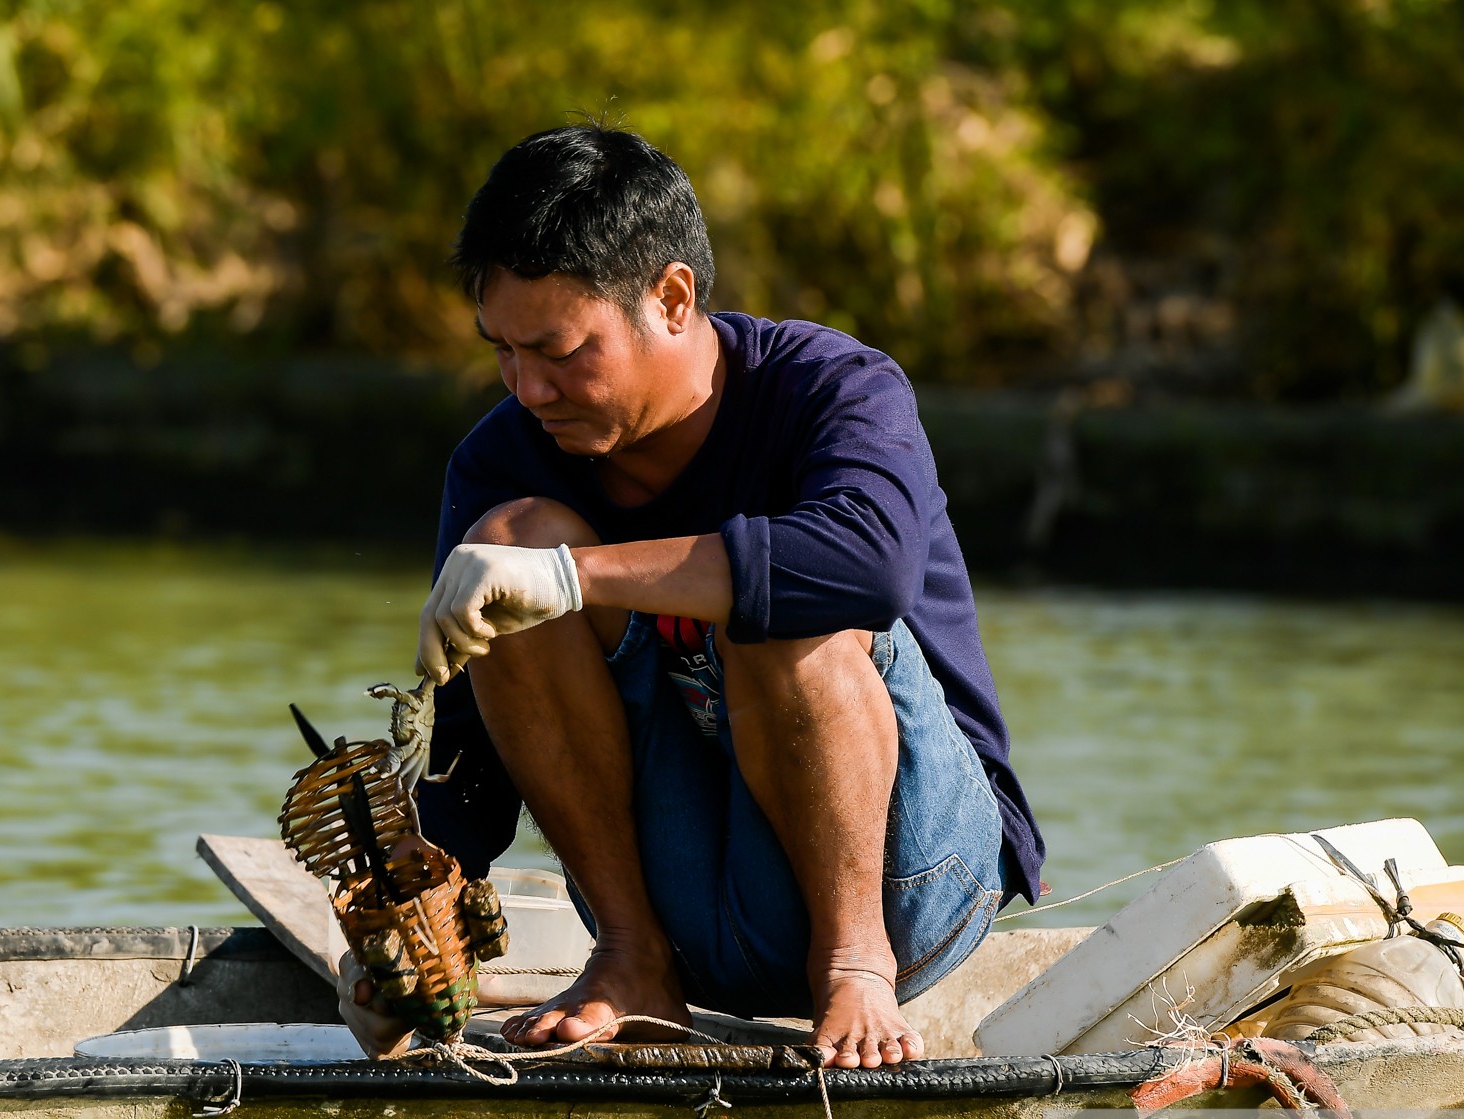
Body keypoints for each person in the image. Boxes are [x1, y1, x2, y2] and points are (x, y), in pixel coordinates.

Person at [356, 123, 1044, 1069]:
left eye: (559, 350)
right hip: (683, 910)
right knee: (509, 544)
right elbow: (471, 743)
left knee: (775, 598)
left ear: (672, 298)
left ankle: (851, 966)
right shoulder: (500, 460)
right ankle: (631, 961)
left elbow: (870, 567)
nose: (529, 388)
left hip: (906, 886)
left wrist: (573, 578)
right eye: (503, 352)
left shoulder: (833, 388)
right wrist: (413, 928)